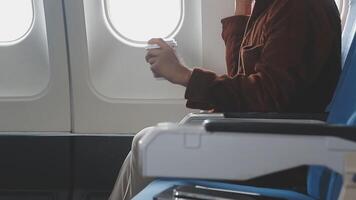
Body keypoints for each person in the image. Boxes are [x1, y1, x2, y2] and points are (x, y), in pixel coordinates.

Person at [109, 0, 341, 199]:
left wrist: (185, 76)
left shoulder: (299, 8)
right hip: (263, 140)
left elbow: (267, 95)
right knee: (144, 146)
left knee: (149, 145)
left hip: (284, 155)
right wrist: (242, 9)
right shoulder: (271, 7)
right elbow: (242, 78)